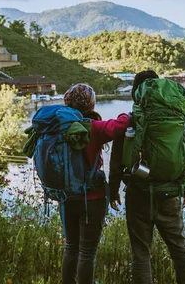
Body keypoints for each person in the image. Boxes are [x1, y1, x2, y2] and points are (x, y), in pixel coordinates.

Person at [110, 71, 185, 284]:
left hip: (139, 193)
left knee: (141, 252)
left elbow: (116, 163)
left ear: (136, 93)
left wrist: (112, 192)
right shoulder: (174, 116)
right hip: (170, 194)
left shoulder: (129, 122)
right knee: (179, 248)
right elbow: (183, 152)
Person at [62, 83, 131, 284]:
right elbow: (121, 125)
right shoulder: (93, 127)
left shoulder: (58, 127)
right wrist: (127, 114)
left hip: (66, 197)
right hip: (91, 198)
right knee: (87, 252)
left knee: (71, 246)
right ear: (91, 104)